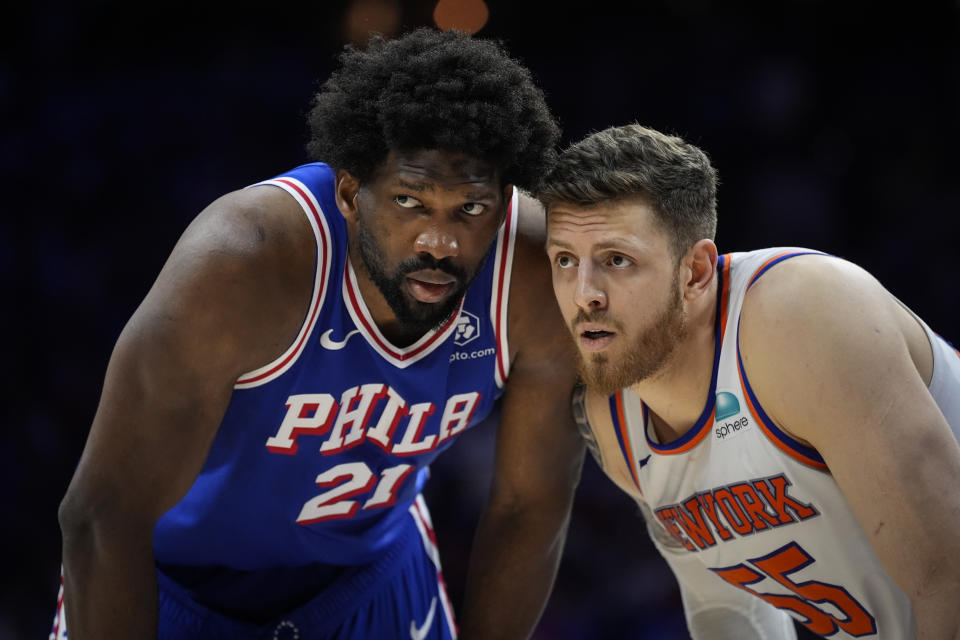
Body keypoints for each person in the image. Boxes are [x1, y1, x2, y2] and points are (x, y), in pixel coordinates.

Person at [53, 28, 585, 640]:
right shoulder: (242, 263)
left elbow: (531, 505)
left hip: (373, 577)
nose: (441, 242)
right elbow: (102, 517)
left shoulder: (537, 274)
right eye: (410, 201)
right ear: (352, 193)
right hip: (169, 585)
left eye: (471, 209)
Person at [538, 123, 960, 639]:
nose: (584, 295)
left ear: (694, 272)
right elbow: (728, 613)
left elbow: (950, 575)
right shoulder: (614, 426)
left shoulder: (803, 314)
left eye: (616, 260)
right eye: (564, 260)